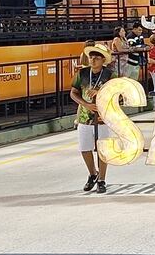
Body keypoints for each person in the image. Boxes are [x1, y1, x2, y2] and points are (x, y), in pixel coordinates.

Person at [69, 43, 115, 194]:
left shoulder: (110, 75)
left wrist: (101, 92)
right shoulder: (82, 74)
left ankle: (102, 179)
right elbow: (73, 92)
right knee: (85, 148)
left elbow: (117, 94)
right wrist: (85, 104)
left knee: (103, 149)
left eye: (96, 58)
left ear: (103, 60)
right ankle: (92, 174)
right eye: (91, 57)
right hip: (84, 116)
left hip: (102, 117)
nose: (93, 60)